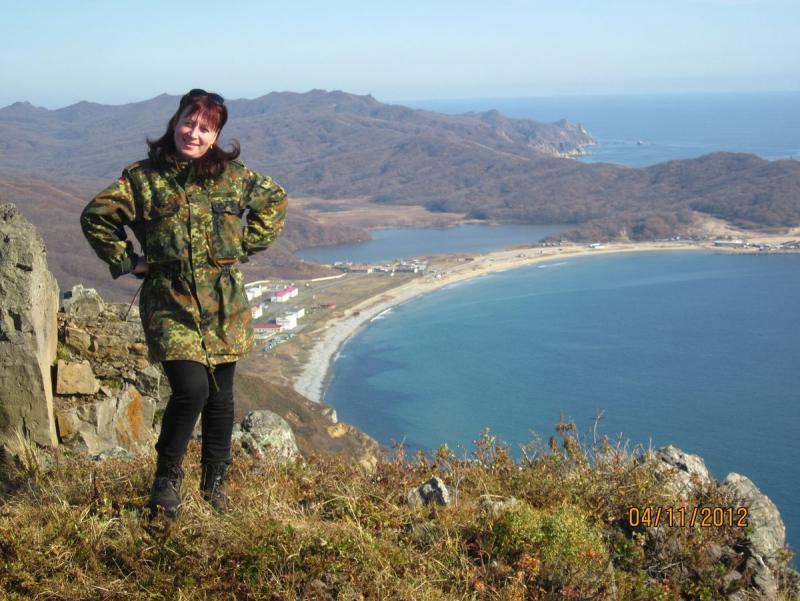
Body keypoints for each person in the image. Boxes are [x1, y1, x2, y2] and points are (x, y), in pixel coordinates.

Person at [80, 89, 288, 517]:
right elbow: (96, 217)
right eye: (188, 123)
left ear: (216, 137)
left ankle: (215, 486)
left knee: (220, 396)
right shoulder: (142, 179)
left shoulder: (233, 178)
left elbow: (275, 200)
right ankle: (167, 481)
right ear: (175, 123)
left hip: (223, 303)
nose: (194, 133)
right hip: (169, 301)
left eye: (205, 128)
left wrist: (242, 246)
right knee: (191, 389)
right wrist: (128, 261)